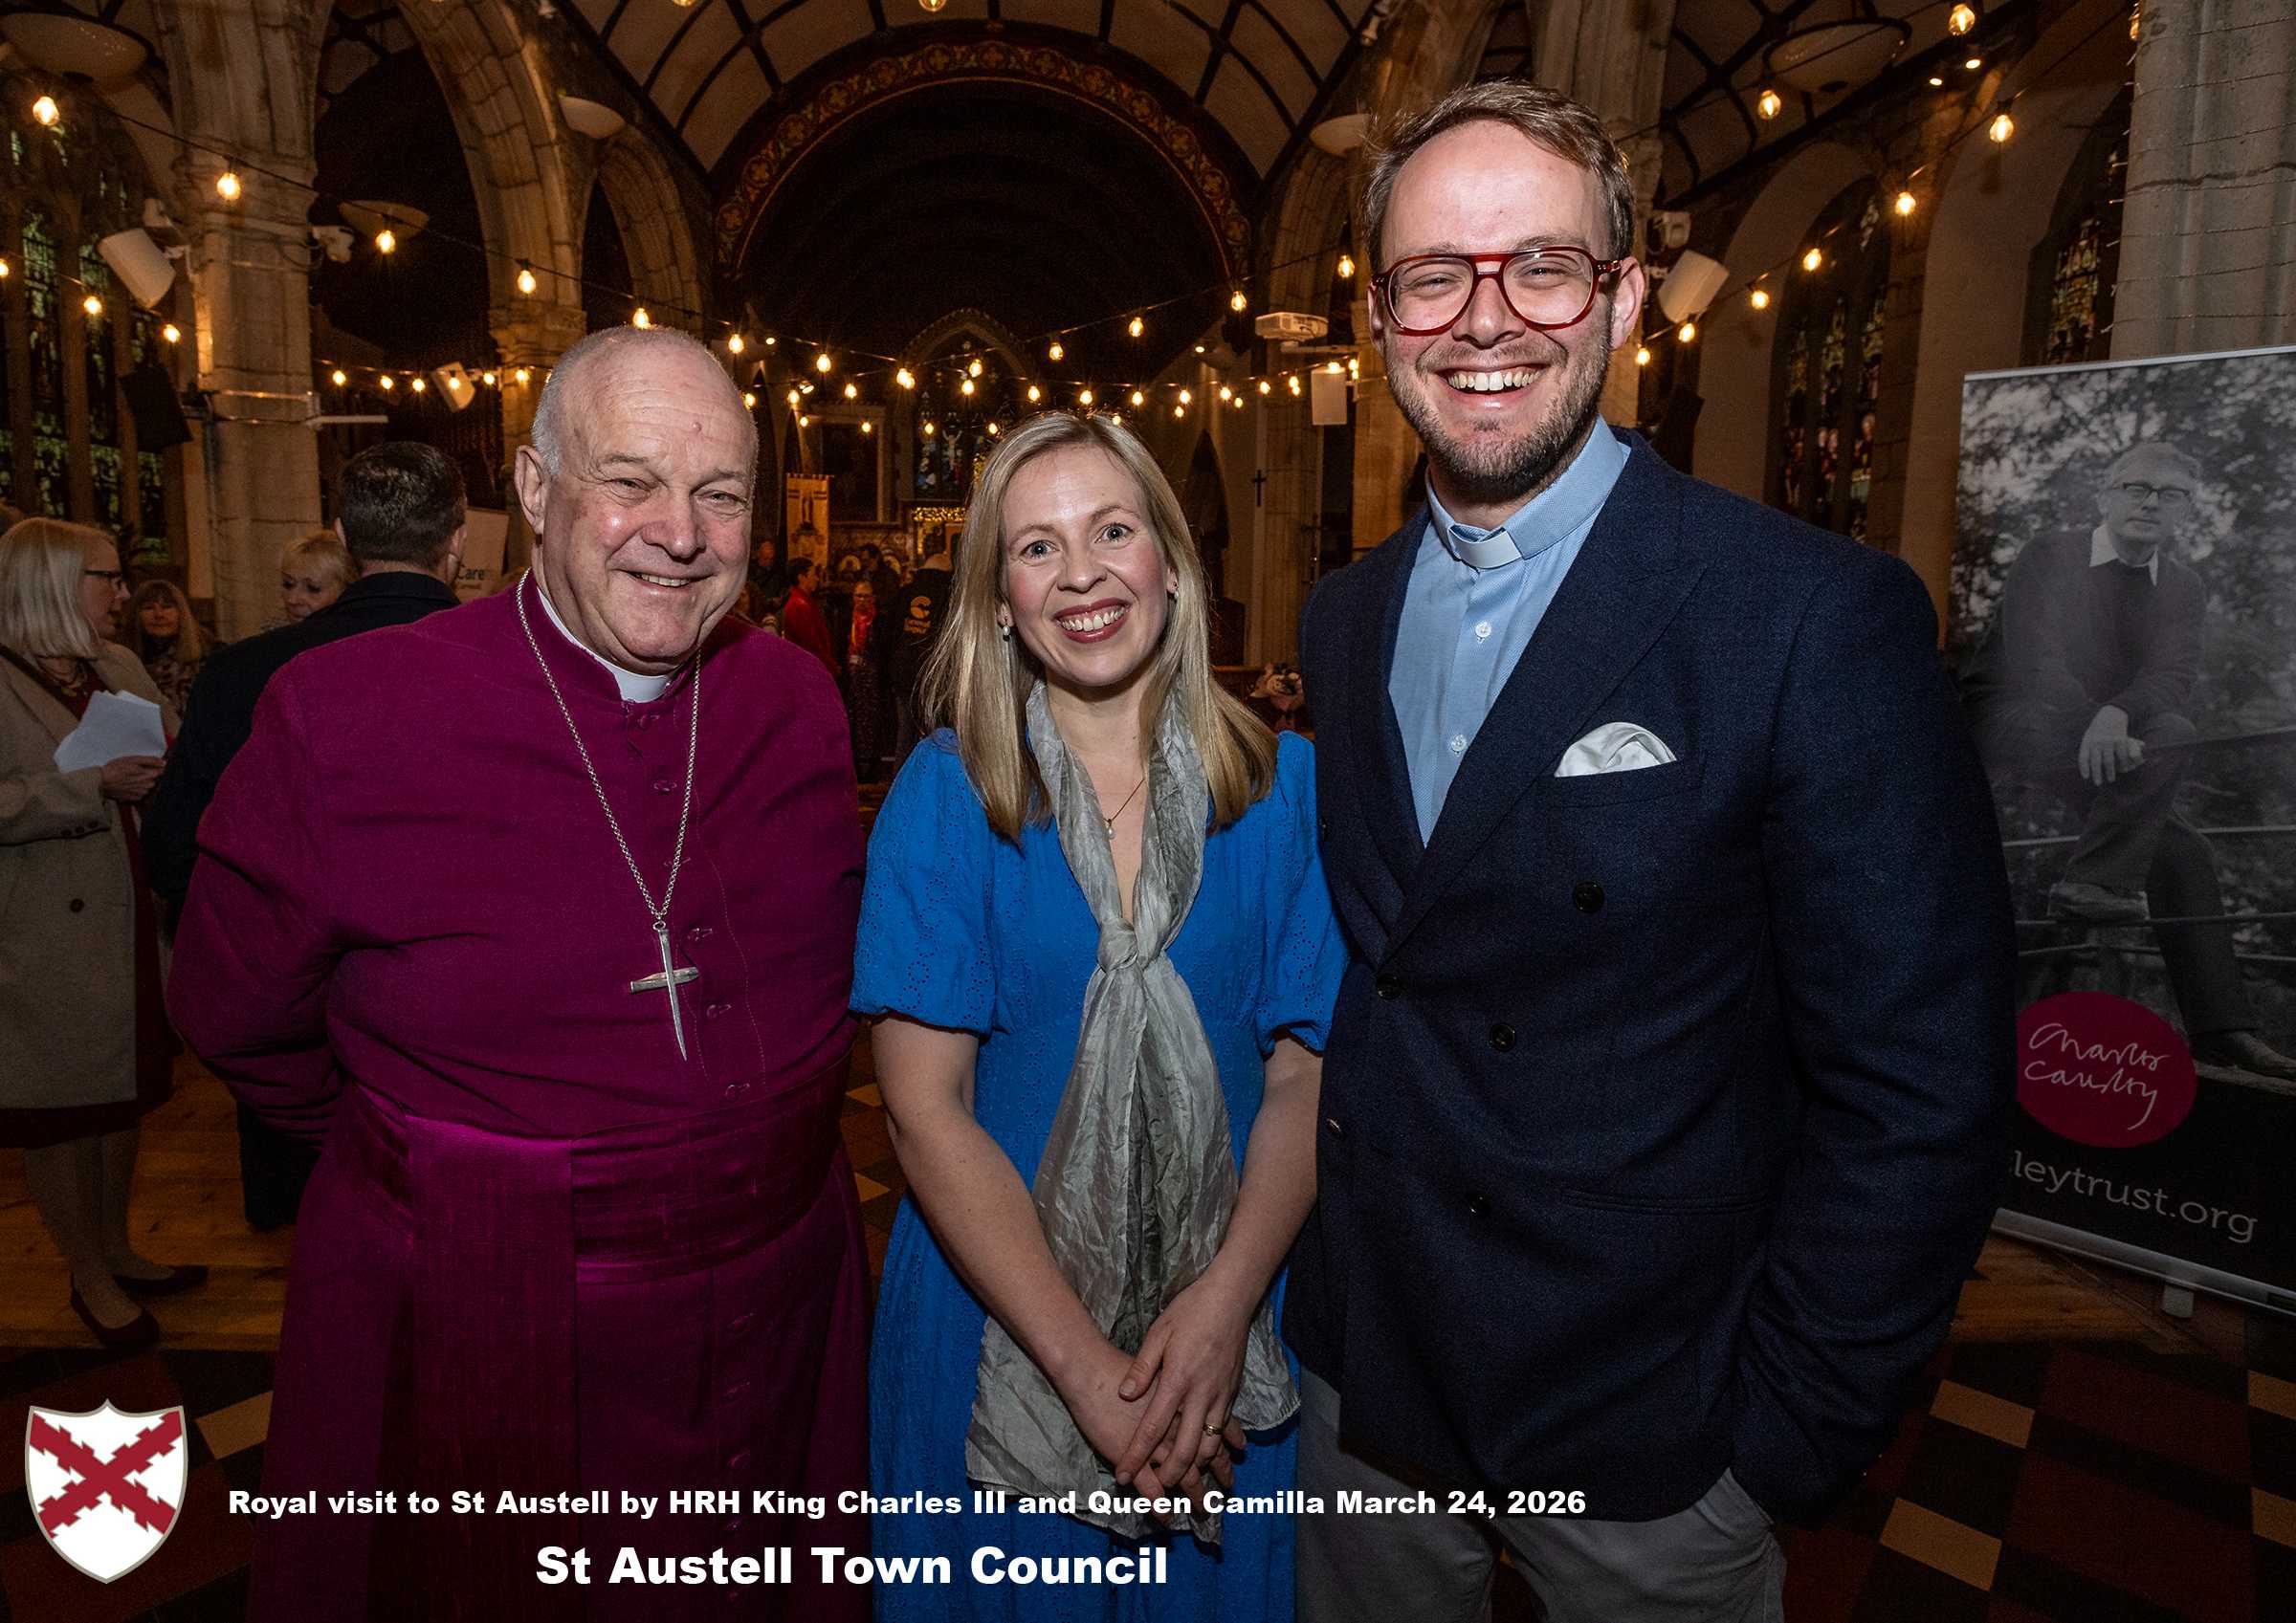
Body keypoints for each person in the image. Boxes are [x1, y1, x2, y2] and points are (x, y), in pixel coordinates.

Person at [1285, 82, 2018, 1622]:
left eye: (1542, 264)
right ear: (1379, 312)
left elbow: (1921, 1081)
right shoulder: (1342, 621)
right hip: (1372, 1386)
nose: (1488, 319)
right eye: (1434, 275)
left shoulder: (1806, 615)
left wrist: (1777, 1437)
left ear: (1622, 295)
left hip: (1652, 1419)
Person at [168, 325, 869, 1623]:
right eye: (630, 479)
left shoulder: (795, 697)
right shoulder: (346, 713)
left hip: (781, 1296)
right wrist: (435, 1169)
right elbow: (235, 1009)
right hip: (490, 1308)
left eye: (721, 494)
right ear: (537, 493)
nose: (681, 530)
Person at [855, 411, 1343, 1620]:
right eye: (1036, 547)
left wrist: (1222, 1311)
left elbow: (1304, 1079)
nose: (1080, 573)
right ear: (999, 600)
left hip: (1220, 1327)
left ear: (1171, 564)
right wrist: (1083, 1371)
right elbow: (923, 1114)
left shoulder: (1287, 792)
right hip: (998, 1328)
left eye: (1111, 529)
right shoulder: (947, 791)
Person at [145, 442, 471, 1229]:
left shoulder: (239, 674)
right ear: (457, 543)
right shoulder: (526, 672)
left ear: (345, 537)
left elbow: (171, 848)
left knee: (329, 1266)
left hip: (298, 1037)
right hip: (467, 1056)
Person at [1960, 441, 2296, 1079]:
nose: (2151, 502)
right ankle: (2093, 885)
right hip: (2014, 713)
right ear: (2106, 496)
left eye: (2169, 494)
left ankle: (2220, 1029)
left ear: (2185, 512)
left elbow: (2171, 677)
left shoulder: (2182, 586)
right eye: (2137, 488)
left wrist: (2114, 717)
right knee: (2157, 751)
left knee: (2181, 835)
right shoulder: (2051, 556)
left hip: (2107, 732)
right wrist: (2098, 718)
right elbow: (2035, 663)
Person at [1, 518, 201, 1350]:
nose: (122, 594)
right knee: (60, 1107)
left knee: (124, 1091)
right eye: (105, 577)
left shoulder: (112, 665)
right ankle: (85, 1271)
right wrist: (87, 785)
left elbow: (170, 749)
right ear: (50, 581)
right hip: (40, 928)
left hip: (128, 912)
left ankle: (118, 1245)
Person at [886, 540, 954, 775]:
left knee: (905, 735)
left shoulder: (905, 593)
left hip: (902, 674)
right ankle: (931, 784)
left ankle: (900, 786)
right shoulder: (950, 595)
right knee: (938, 735)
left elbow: (889, 632)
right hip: (933, 677)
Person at [127, 577, 206, 713]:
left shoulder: (209, 656)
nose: (159, 615)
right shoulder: (124, 660)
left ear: (181, 612)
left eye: (167, 607)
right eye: (149, 608)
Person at [279, 527, 357, 621]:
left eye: (313, 588)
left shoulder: (365, 633)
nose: (292, 599)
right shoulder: (271, 632)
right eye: (288, 584)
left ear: (346, 590)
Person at [781, 555, 838, 675]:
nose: (817, 579)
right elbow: (811, 645)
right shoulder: (799, 605)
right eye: (813, 574)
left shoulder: (805, 601)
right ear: (802, 578)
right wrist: (830, 667)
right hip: (808, 671)